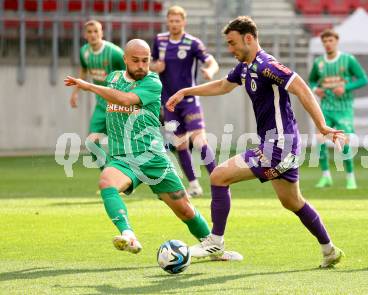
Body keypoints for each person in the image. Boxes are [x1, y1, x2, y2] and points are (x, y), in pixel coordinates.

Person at [166, 16, 345, 268]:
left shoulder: (267, 65)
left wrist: (322, 126)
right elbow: (222, 86)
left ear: (249, 38)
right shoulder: (245, 67)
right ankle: (329, 250)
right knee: (292, 202)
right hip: (278, 146)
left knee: (218, 176)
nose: (231, 49)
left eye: (233, 43)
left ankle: (215, 241)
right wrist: (186, 91)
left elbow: (302, 88)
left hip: (279, 146)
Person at [64, 39, 242, 261]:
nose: (141, 65)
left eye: (145, 60)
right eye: (136, 61)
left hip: (153, 158)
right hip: (123, 157)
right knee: (106, 183)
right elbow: (110, 102)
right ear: (125, 60)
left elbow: (127, 100)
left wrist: (89, 86)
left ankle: (215, 248)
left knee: (184, 209)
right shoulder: (113, 78)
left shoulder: (152, 82)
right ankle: (128, 235)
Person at [150, 5, 219, 197]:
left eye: (177, 21)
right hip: (169, 103)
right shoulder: (160, 40)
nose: (174, 24)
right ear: (167, 22)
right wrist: (156, 66)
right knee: (180, 144)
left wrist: (209, 72)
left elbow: (211, 61)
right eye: (171, 21)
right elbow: (150, 63)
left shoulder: (192, 43)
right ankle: (194, 185)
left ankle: (218, 180)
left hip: (189, 101)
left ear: (184, 22)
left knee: (199, 140)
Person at [309, 28, 368, 190]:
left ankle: (350, 178)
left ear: (336, 41)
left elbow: (363, 79)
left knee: (344, 141)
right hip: (325, 108)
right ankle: (326, 176)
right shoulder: (319, 63)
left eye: (331, 41)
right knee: (320, 141)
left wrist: (346, 87)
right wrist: (316, 90)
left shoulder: (348, 60)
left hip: (344, 108)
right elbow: (312, 81)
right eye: (325, 41)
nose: (328, 44)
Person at [70, 20, 126, 170]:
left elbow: (130, 73)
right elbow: (83, 69)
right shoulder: (84, 52)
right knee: (91, 142)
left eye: (96, 31)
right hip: (101, 106)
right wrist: (75, 92)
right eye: (90, 32)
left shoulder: (114, 53)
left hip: (119, 105)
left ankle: (125, 177)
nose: (93, 34)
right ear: (85, 34)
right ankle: (110, 176)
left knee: (122, 146)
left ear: (102, 33)